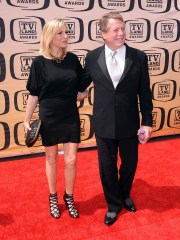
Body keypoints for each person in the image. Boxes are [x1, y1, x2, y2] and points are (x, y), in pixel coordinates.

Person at [81, 12, 153, 225]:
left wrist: (147, 121)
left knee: (130, 163)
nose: (121, 33)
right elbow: (81, 83)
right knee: (106, 167)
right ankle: (113, 204)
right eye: (115, 30)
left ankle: (124, 194)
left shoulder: (138, 57)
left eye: (123, 28)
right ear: (103, 34)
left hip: (129, 122)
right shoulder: (92, 57)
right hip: (103, 122)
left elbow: (145, 92)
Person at [24, 18, 87, 219]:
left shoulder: (72, 59)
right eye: (60, 33)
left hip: (69, 114)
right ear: (50, 37)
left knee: (71, 159)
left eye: (66, 32)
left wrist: (82, 94)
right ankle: (53, 196)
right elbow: (34, 94)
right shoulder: (39, 63)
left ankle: (69, 196)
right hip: (49, 115)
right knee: (51, 159)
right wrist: (27, 120)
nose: (65, 37)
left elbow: (81, 86)